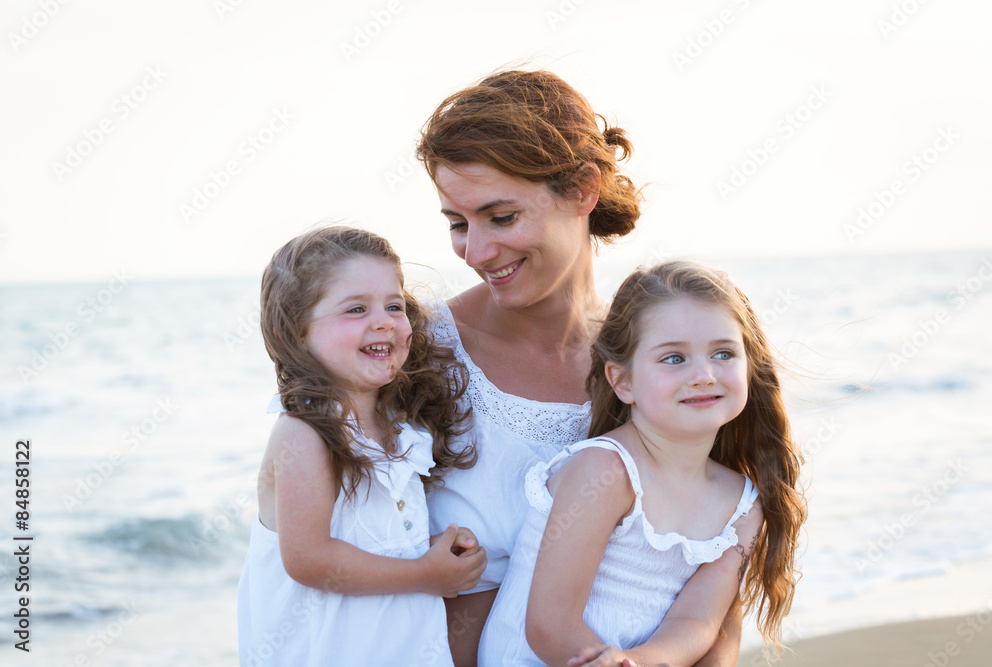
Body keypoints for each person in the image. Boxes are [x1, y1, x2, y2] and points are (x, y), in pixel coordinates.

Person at [416, 69, 744, 666]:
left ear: (583, 190)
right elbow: (310, 545)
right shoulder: (414, 355)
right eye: (458, 224)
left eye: (502, 216)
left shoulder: (662, 366)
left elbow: (710, 568)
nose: (477, 252)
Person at [478, 261, 807, 666]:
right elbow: (550, 624)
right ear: (623, 381)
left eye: (723, 353)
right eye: (673, 358)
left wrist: (640, 662)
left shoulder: (742, 504)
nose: (704, 374)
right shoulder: (605, 472)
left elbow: (699, 622)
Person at [237, 226, 487, 666]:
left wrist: (431, 550)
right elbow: (310, 559)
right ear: (296, 333)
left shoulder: (397, 427)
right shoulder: (304, 432)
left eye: (394, 306)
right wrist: (423, 574)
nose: (384, 321)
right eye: (355, 309)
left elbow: (370, 539)